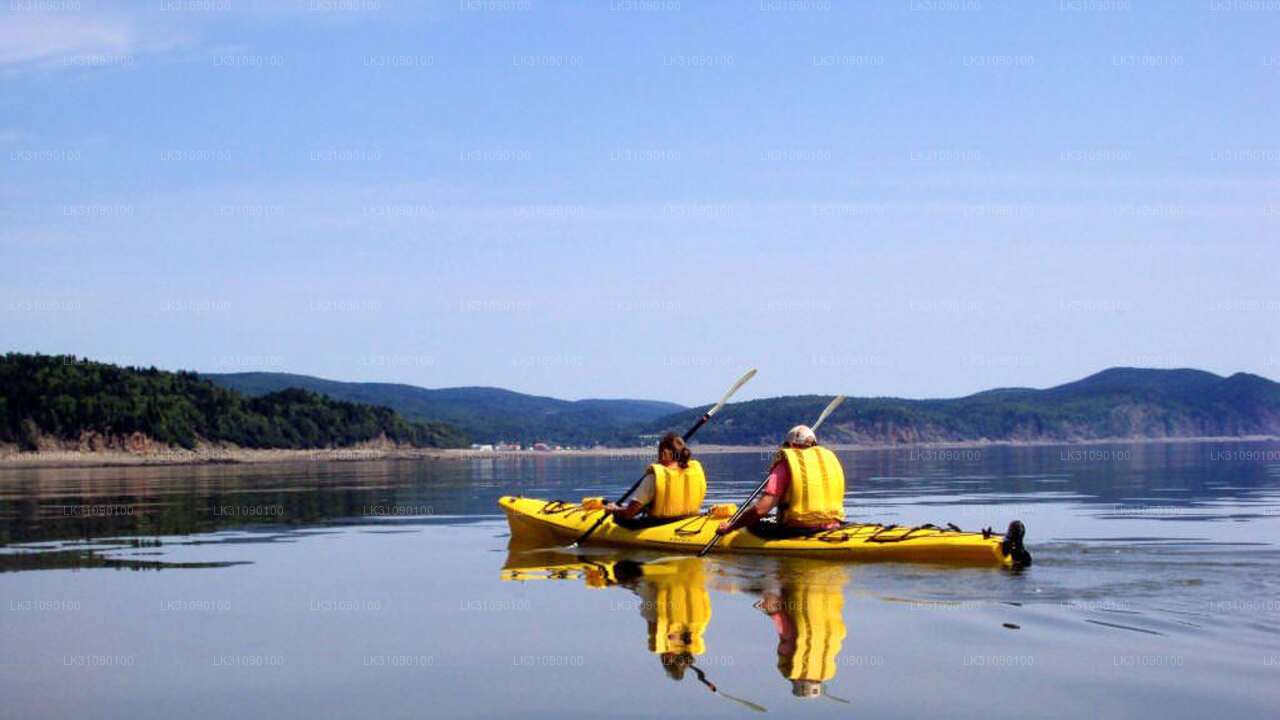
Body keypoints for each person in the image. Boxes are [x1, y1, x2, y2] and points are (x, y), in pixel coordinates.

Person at [716, 424, 846, 537]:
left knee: (753, 523)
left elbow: (760, 510)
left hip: (799, 529)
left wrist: (732, 526)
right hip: (833, 524)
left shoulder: (785, 466)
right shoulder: (827, 462)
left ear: (789, 445)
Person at [606, 431, 707, 526]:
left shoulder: (654, 478)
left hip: (659, 525)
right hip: (689, 521)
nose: (658, 456)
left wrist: (614, 510)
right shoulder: (694, 472)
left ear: (665, 452)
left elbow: (629, 513)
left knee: (619, 519)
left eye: (659, 452)